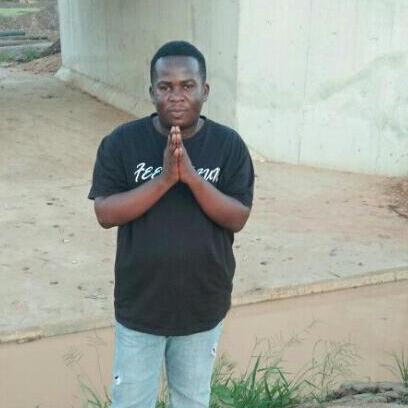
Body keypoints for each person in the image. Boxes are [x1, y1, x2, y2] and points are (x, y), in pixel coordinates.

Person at [88, 40, 254, 408]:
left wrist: (191, 177)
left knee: (192, 400)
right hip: (140, 306)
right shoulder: (122, 143)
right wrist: (164, 179)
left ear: (204, 90)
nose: (176, 96)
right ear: (151, 92)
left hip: (202, 304)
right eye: (165, 86)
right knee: (131, 402)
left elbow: (237, 216)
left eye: (187, 85)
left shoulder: (228, 146)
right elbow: (105, 213)